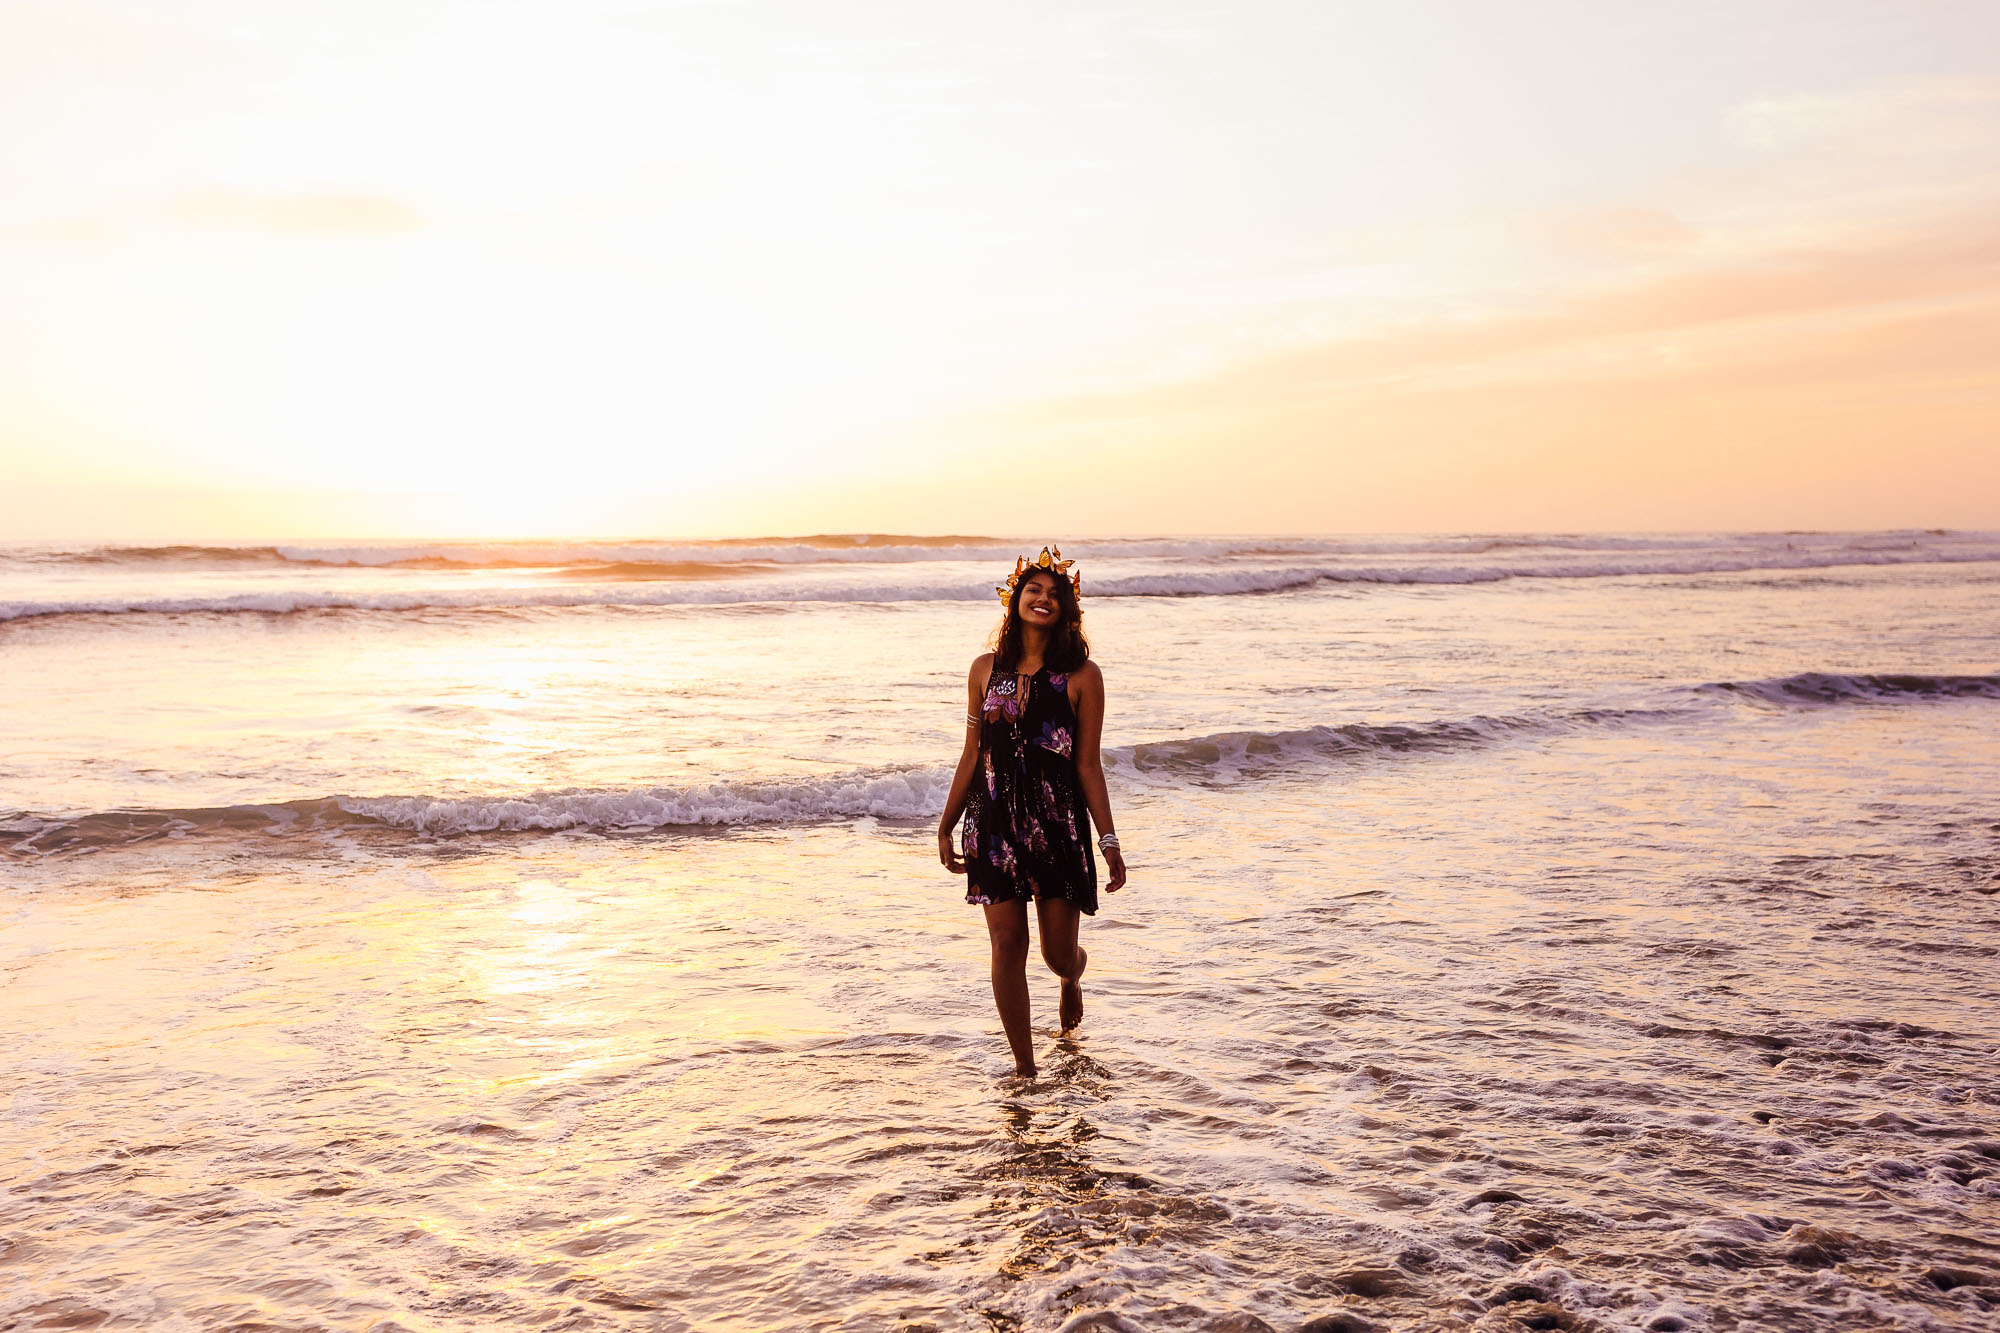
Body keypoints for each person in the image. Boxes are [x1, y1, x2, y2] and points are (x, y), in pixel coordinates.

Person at [938, 545, 1127, 1078]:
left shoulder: (1082, 676)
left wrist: (1109, 843)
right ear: (1014, 600)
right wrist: (947, 823)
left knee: (1056, 953)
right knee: (1006, 942)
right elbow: (972, 753)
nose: (1042, 599)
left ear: (1067, 610)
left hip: (1058, 826)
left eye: (1053, 594)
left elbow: (1088, 765)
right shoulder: (983, 670)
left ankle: (1072, 978)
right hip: (994, 821)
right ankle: (1025, 1069)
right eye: (1033, 590)